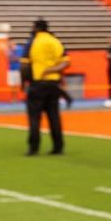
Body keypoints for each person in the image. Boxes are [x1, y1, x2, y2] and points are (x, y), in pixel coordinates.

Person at [24, 18, 67, 155]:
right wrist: (52, 71)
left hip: (38, 83)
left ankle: (34, 147)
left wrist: (24, 82)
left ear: (36, 28)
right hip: (53, 84)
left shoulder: (32, 41)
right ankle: (58, 146)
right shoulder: (55, 41)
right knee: (54, 116)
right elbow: (65, 63)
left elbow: (25, 64)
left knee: (34, 117)